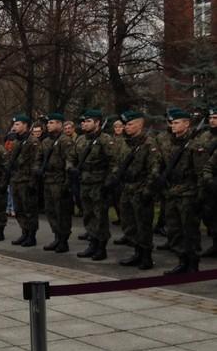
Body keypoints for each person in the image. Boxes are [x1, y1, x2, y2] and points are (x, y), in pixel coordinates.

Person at [162, 109, 208, 273]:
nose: (173, 126)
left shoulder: (195, 145)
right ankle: (182, 261)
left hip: (189, 194)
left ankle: (193, 264)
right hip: (173, 192)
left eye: (176, 123)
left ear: (187, 124)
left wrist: (200, 197)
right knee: (174, 230)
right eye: (172, 123)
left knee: (189, 231)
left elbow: (201, 173)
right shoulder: (172, 143)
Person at [67, 110, 117, 261]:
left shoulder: (105, 139)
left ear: (97, 123)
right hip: (84, 182)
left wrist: (109, 181)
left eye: (88, 121)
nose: (84, 124)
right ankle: (92, 243)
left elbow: (114, 162)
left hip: (99, 183)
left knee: (100, 216)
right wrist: (71, 168)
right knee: (88, 215)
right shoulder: (81, 139)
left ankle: (101, 247)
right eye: (83, 121)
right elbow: (71, 157)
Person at [115, 111, 161, 270]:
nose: (126, 127)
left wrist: (148, 190)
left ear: (140, 125)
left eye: (130, 124)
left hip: (141, 188)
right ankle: (137, 252)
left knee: (143, 225)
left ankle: (146, 256)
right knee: (129, 223)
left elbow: (154, 170)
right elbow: (118, 163)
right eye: (125, 125)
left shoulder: (149, 143)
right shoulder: (125, 143)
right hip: (127, 188)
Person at [38, 113, 74, 253]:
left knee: (62, 212)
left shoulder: (66, 141)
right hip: (48, 180)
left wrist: (67, 183)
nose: (48, 125)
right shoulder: (46, 141)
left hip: (60, 180)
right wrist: (37, 169)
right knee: (51, 211)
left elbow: (69, 161)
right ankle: (57, 237)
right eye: (48, 123)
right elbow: (39, 158)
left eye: (52, 122)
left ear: (60, 124)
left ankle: (63, 240)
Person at [8, 114, 41, 247]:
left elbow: (36, 162)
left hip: (27, 181)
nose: (14, 127)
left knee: (29, 210)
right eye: (14, 124)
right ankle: (24, 232)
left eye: (17, 124)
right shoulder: (16, 142)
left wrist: (33, 181)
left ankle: (31, 235)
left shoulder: (33, 142)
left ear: (25, 126)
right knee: (19, 209)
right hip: (16, 180)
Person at [200, 107, 217, 258]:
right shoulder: (204, 136)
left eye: (216, 118)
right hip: (208, 181)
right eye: (211, 118)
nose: (212, 121)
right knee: (208, 214)